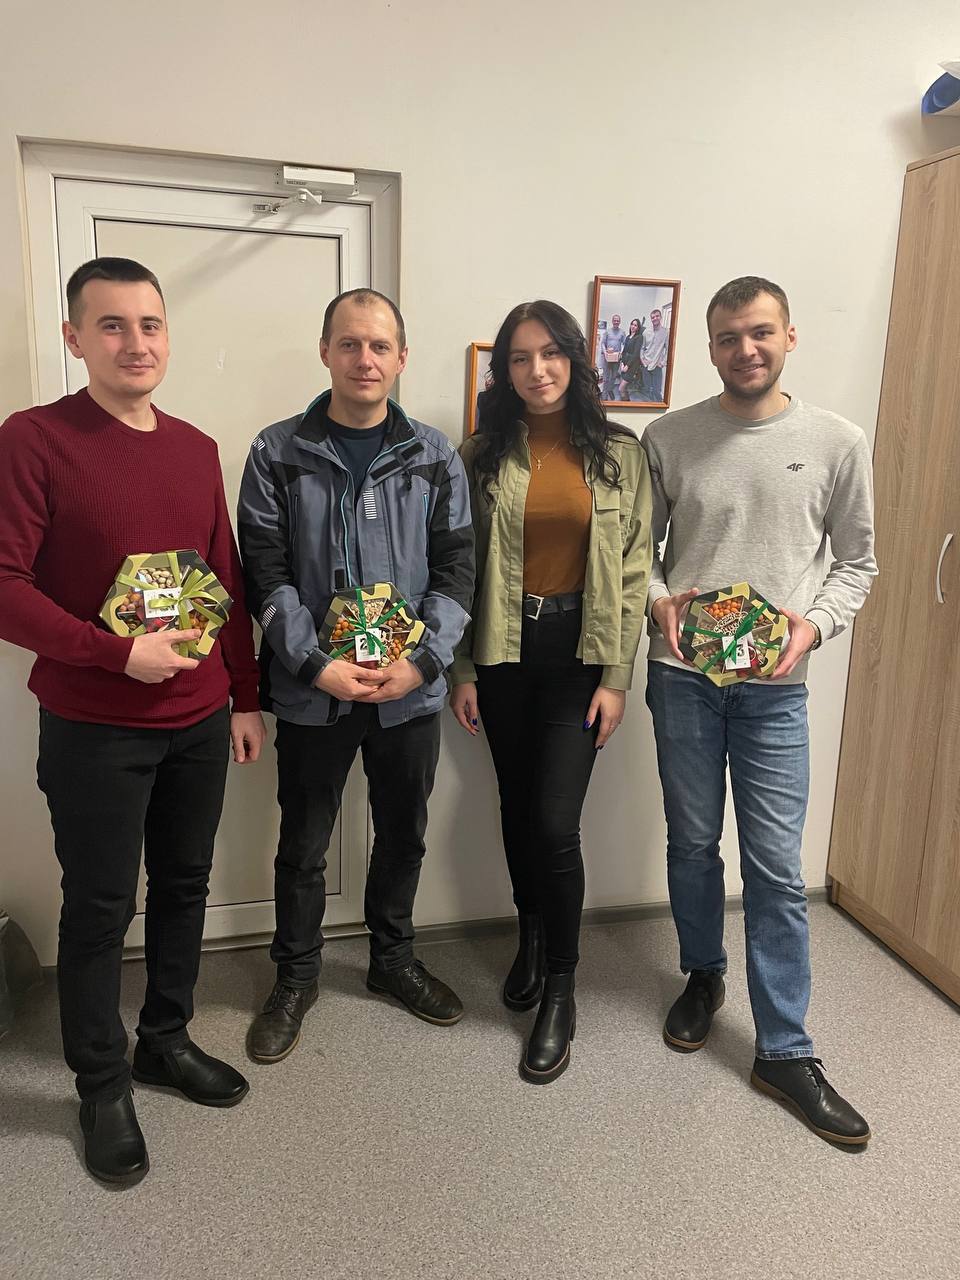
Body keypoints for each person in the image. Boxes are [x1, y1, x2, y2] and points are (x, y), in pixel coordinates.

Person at [0, 257, 266, 1186]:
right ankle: (101, 1082)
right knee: (101, 907)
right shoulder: (34, 439)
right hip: (95, 726)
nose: (135, 343)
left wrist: (243, 695)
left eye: (149, 324)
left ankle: (165, 1039)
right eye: (111, 325)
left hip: (198, 720)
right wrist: (116, 655)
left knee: (185, 887)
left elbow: (225, 580)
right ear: (74, 338)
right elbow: (4, 586)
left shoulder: (195, 448)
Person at [642, 275, 877, 1145]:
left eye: (761, 332)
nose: (746, 349)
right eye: (729, 336)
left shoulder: (837, 441)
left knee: (776, 868)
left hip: (776, 691)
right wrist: (659, 603)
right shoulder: (669, 437)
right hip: (683, 678)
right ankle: (703, 975)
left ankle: (784, 1047)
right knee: (692, 844)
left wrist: (813, 627)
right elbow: (640, 554)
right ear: (709, 346)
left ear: (789, 336)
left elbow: (857, 563)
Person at [239, 288, 474, 1063]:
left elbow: (457, 572)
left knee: (404, 832)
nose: (364, 359)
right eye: (349, 344)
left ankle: (392, 960)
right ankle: (296, 977)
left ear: (401, 358)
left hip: (410, 694)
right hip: (315, 694)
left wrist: (423, 662)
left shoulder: (435, 456)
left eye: (378, 346)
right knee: (304, 843)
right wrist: (317, 665)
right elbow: (265, 575)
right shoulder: (276, 452)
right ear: (326, 352)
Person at [450, 300, 652, 1084]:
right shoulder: (480, 452)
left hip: (579, 655)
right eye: (520, 357)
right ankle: (530, 936)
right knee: (514, 805)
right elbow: (457, 566)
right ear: (504, 370)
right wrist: (463, 670)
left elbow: (632, 569)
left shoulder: (619, 453)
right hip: (502, 651)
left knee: (554, 822)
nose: (537, 370)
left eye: (551, 354)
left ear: (575, 358)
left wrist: (617, 677)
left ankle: (561, 989)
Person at [638, 308, 669, 403]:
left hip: (657, 366)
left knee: (657, 390)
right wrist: (643, 360)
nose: (655, 318)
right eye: (652, 317)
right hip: (646, 365)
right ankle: (651, 406)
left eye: (657, 316)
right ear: (651, 319)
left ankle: (659, 406)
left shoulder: (666, 332)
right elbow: (642, 348)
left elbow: (668, 349)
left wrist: (662, 363)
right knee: (647, 388)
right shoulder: (646, 332)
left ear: (660, 317)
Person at [600, 313, 627, 400]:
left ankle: (610, 390)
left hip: (616, 359)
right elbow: (603, 343)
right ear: (612, 321)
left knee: (614, 376)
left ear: (620, 322)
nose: (616, 322)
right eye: (615, 320)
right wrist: (605, 352)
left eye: (617, 321)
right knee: (606, 377)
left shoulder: (622, 332)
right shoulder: (607, 332)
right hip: (607, 358)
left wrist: (621, 353)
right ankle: (604, 394)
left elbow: (625, 344)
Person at [617, 317, 644, 401]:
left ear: (638, 328)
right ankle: (626, 402)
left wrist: (627, 366)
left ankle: (625, 403)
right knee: (623, 388)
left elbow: (636, 354)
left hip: (632, 365)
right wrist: (622, 363)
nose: (633, 326)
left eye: (635, 325)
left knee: (621, 388)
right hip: (625, 363)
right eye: (632, 324)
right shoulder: (628, 337)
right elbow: (624, 351)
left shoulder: (639, 337)